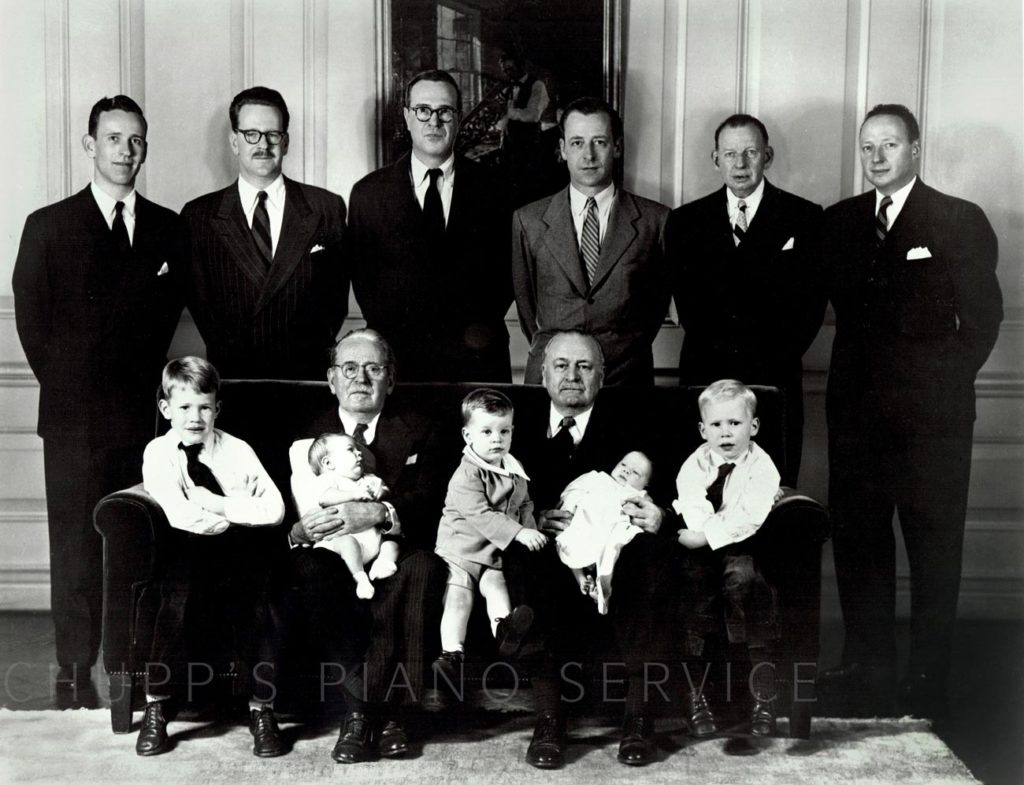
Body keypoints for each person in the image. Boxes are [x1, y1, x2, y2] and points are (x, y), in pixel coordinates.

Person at [818, 104, 1003, 719]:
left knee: (932, 547)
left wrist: (935, 392)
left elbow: (982, 324)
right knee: (860, 545)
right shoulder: (840, 222)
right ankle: (867, 669)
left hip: (933, 423)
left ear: (916, 149)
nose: (876, 157)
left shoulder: (957, 219)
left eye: (889, 145)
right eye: (867, 146)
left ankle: (928, 677)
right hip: (855, 420)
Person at [12, 95, 184, 706]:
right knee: (76, 544)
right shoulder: (49, 224)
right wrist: (71, 387)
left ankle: (131, 665)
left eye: (135, 139)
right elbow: (32, 322)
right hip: (73, 416)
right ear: (91, 145)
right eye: (113, 139)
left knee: (138, 541)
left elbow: (165, 321)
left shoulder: (169, 226)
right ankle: (73, 671)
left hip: (142, 417)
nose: (125, 151)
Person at [509, 330, 683, 768]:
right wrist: (533, 518)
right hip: (549, 541)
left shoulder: (634, 423)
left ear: (601, 377)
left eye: (584, 366)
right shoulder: (514, 426)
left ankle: (639, 717)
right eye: (561, 366)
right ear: (543, 374)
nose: (572, 376)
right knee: (529, 557)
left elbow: (673, 490)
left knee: (647, 557)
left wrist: (659, 514)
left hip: (620, 544)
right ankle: (549, 717)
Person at [286, 329, 450, 763]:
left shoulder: (422, 429)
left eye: (373, 369)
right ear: (332, 379)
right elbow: (284, 506)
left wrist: (381, 514)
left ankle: (384, 713)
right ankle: (368, 710)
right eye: (350, 369)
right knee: (310, 573)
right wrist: (300, 532)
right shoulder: (303, 434)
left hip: (398, 541)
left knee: (424, 569)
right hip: (330, 547)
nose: (361, 378)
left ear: (390, 381)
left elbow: (430, 499)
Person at [137, 357, 286, 757]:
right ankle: (157, 706)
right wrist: (235, 513)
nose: (195, 417)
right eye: (184, 407)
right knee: (178, 599)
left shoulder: (237, 450)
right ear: (166, 408)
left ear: (217, 408)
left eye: (205, 406)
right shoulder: (159, 452)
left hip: (241, 551)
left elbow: (273, 510)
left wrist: (219, 504)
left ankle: (261, 709)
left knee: (259, 604)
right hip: (187, 546)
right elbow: (179, 512)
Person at [666, 114, 823, 485]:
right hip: (707, 380)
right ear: (715, 158)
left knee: (772, 497)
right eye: (730, 153)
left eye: (750, 152)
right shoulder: (686, 222)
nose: (740, 164)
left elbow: (811, 307)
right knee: (704, 495)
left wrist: (764, 360)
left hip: (774, 380)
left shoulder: (804, 217)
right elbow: (690, 307)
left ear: (767, 156)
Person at [348, 69, 513, 382]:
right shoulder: (368, 193)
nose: (433, 122)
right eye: (423, 111)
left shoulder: (497, 190)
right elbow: (366, 285)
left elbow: (504, 281)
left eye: (444, 111)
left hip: (477, 360)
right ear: (407, 117)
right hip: (400, 365)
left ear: (459, 117)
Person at [181, 86, 347, 379]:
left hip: (306, 376)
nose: (263, 145)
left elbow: (335, 302)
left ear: (286, 142)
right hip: (234, 377)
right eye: (252, 134)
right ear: (235, 141)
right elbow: (202, 307)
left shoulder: (325, 208)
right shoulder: (199, 216)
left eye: (273, 135)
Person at [512, 97, 672, 385]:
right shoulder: (529, 220)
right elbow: (527, 307)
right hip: (552, 379)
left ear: (617, 147)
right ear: (562, 149)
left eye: (599, 142)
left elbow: (655, 306)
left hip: (625, 376)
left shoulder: (655, 220)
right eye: (576, 143)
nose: (588, 155)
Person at [673, 380, 782, 736]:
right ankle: (696, 693)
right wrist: (703, 531)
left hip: (741, 544)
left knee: (746, 583)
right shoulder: (695, 463)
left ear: (753, 427)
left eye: (735, 424)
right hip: (703, 548)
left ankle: (762, 693)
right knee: (694, 590)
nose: (725, 433)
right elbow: (691, 503)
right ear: (703, 429)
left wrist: (706, 535)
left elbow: (749, 516)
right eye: (717, 425)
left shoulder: (761, 465)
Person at [432, 388, 544, 676]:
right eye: (487, 432)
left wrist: (529, 534)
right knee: (460, 597)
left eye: (504, 431)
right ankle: (451, 653)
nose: (497, 439)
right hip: (460, 551)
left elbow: (525, 503)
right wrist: (519, 533)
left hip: (493, 552)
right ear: (468, 436)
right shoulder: (466, 474)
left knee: (497, 588)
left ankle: (506, 632)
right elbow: (479, 514)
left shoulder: (514, 469)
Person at [300, 433, 398, 600]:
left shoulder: (369, 478)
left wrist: (381, 491)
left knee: (391, 544)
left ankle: (383, 564)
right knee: (348, 543)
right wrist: (354, 494)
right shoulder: (328, 480)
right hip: (341, 543)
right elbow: (325, 497)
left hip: (371, 543)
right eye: (350, 450)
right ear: (328, 463)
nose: (359, 453)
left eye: (358, 449)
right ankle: (360, 577)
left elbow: (386, 491)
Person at [555, 451, 653, 614]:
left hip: (609, 531)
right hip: (584, 524)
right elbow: (572, 490)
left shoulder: (638, 495)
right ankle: (581, 579)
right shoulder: (598, 477)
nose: (626, 471)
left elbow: (643, 515)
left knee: (614, 546)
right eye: (623, 464)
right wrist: (572, 504)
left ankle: (600, 589)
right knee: (568, 539)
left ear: (646, 484)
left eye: (635, 472)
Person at [495, 52, 551, 207]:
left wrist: (508, 111)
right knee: (512, 192)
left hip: (529, 148)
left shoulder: (537, 85)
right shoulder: (509, 87)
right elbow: (506, 119)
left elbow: (533, 115)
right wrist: (499, 125)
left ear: (521, 67)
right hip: (510, 147)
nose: (508, 73)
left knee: (529, 191)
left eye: (511, 69)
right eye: (505, 70)